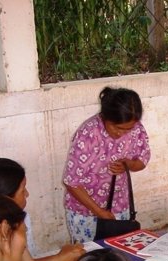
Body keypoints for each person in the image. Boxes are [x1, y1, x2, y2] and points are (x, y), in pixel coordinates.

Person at [62, 87, 151, 243]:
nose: (121, 133)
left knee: (119, 257)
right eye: (116, 127)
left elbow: (142, 160)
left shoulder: (136, 129)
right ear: (105, 117)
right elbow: (71, 182)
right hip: (85, 212)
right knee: (90, 260)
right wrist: (99, 212)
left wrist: (128, 165)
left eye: (127, 129)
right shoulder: (88, 134)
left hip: (118, 208)